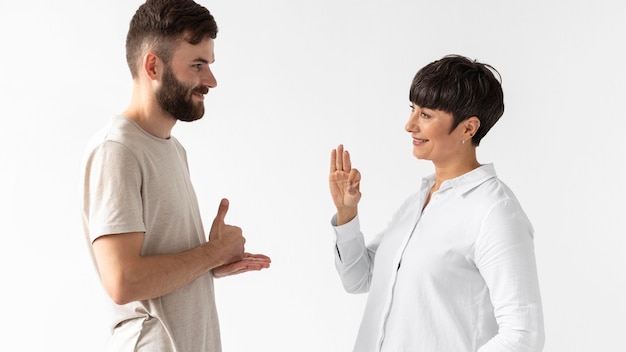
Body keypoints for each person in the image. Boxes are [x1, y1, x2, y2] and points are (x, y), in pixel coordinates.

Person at [80, 1, 271, 351]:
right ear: (153, 65)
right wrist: (212, 253)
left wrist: (209, 260)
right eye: (197, 65)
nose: (211, 81)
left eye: (209, 65)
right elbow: (123, 280)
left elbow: (158, 267)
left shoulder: (170, 147)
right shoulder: (118, 150)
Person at [328, 55, 545, 352]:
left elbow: (523, 335)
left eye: (426, 115)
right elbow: (359, 279)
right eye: (412, 110)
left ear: (468, 129)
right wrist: (347, 214)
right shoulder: (417, 203)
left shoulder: (495, 212)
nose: (409, 125)